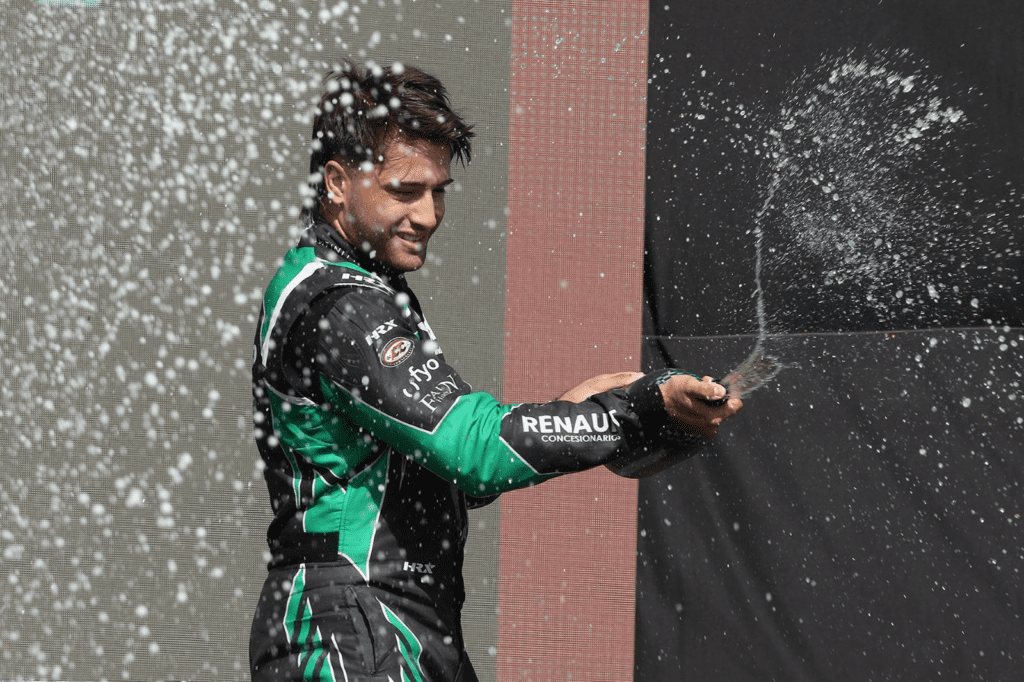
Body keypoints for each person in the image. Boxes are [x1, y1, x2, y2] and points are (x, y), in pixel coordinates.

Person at [248, 61, 743, 682]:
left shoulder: (356, 287)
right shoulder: (343, 305)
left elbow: (447, 476)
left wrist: (577, 415)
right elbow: (470, 450)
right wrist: (630, 413)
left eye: (440, 191)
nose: (428, 216)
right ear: (338, 183)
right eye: (405, 191)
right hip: (350, 626)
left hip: (384, 622)